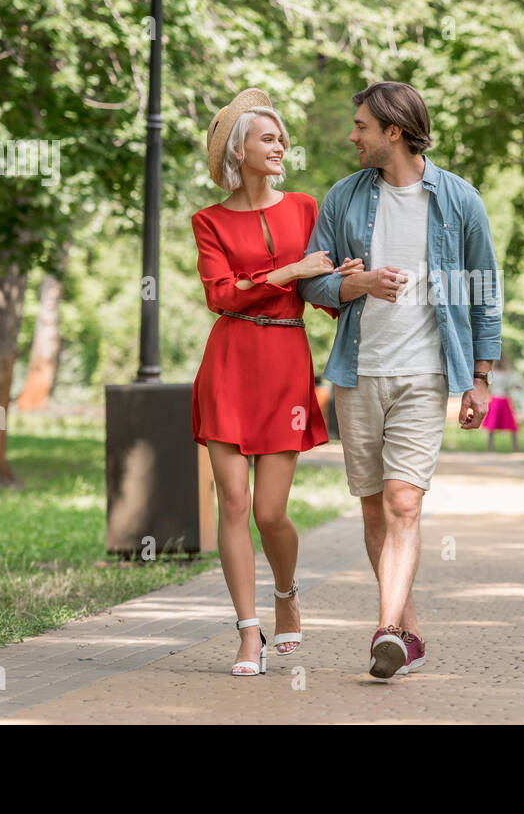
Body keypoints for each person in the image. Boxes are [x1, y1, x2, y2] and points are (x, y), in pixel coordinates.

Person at [298, 81, 502, 680]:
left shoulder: (459, 200)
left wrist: (480, 376)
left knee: (404, 502)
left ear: (394, 131)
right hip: (357, 373)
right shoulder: (344, 198)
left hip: (426, 372)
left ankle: (386, 629)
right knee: (372, 512)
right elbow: (313, 282)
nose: (352, 135)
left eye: (361, 125)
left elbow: (483, 290)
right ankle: (407, 632)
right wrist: (352, 285)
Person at [190, 88, 364, 677]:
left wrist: (353, 290)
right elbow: (220, 295)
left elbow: (325, 288)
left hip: (286, 363)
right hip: (230, 362)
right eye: (268, 138)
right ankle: (246, 633)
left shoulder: (307, 208)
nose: (281, 145)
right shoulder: (208, 221)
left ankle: (286, 596)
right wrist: (289, 270)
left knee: (269, 512)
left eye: (281, 137)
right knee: (232, 504)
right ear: (240, 151)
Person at [482, 350, 523, 452]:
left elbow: (511, 384)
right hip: (499, 399)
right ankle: (494, 447)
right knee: (493, 425)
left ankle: (514, 447)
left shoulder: (503, 372)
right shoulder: (497, 372)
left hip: (501, 399)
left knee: (509, 424)